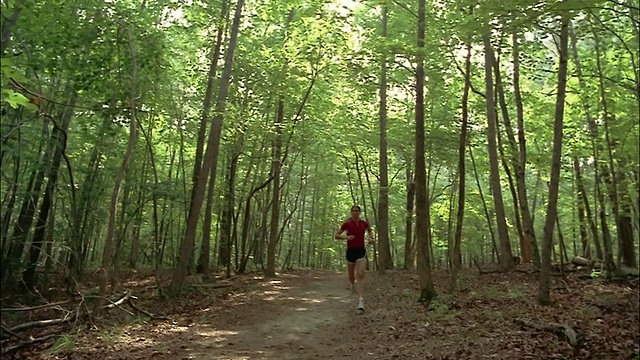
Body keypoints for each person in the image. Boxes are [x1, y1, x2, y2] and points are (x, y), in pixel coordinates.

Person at [335, 205, 374, 311]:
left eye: (357, 211)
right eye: (353, 211)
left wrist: (371, 238)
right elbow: (336, 235)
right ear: (351, 212)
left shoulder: (364, 223)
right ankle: (352, 283)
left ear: (359, 212)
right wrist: (346, 237)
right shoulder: (347, 224)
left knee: (361, 274)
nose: (355, 212)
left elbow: (370, 231)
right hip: (351, 251)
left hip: (361, 251)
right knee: (351, 276)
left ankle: (361, 301)